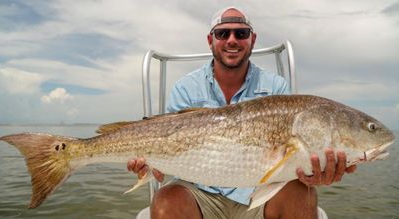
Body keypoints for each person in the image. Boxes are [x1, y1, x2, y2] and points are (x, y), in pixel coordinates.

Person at [128, 6, 357, 219]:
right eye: (222, 34)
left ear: (252, 39)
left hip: (259, 195)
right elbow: (169, 145)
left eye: (241, 34)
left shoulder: (276, 88)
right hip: (200, 195)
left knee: (304, 194)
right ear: (210, 40)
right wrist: (151, 164)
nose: (231, 40)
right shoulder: (185, 88)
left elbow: (291, 163)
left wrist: (311, 174)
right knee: (165, 202)